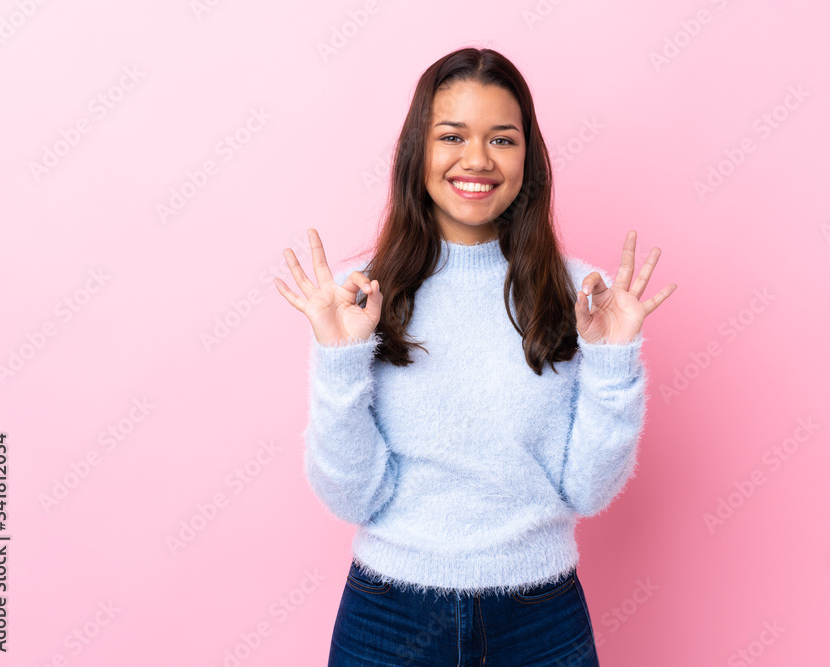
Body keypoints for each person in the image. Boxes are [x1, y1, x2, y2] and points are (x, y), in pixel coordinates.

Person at [275, 47, 675, 666]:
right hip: (389, 616)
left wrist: (613, 359)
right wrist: (339, 356)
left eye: (502, 139)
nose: (477, 160)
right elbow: (350, 498)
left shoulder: (584, 296)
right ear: (419, 153)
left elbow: (588, 491)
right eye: (452, 136)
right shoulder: (358, 295)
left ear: (528, 158)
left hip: (542, 620)